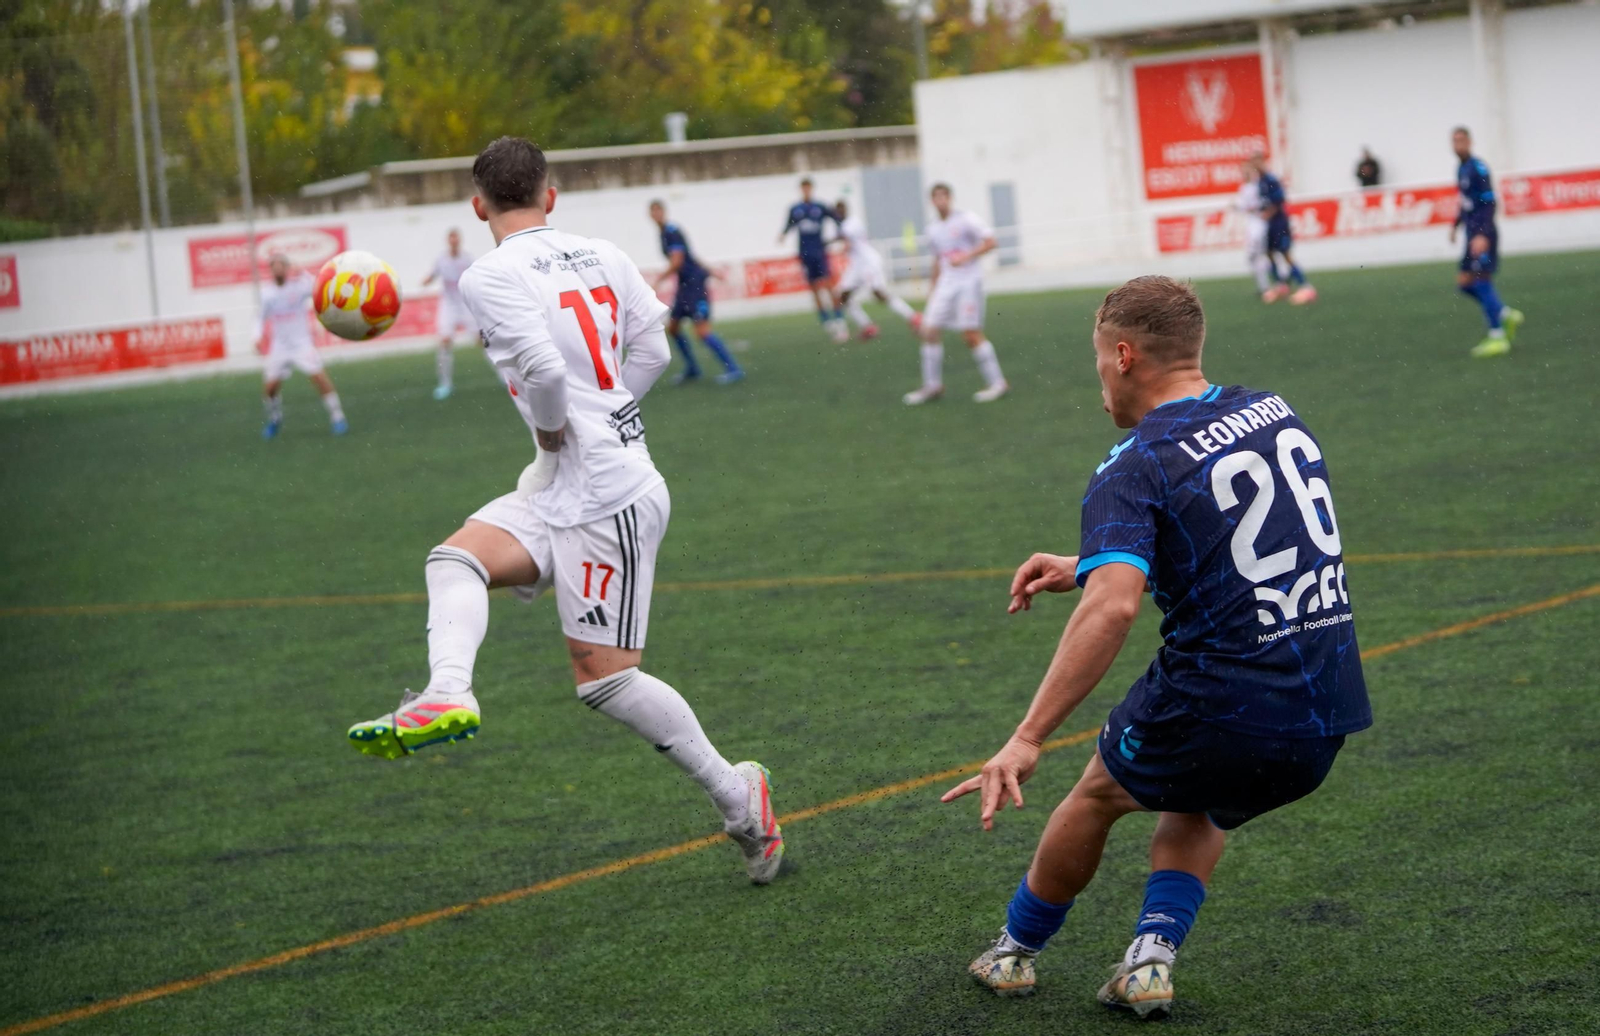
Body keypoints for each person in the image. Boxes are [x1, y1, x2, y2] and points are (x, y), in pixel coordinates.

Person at [345, 137, 784, 885]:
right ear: (550, 195)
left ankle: (740, 798)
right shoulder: (602, 252)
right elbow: (651, 348)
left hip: (606, 495)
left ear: (478, 206)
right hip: (564, 485)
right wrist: (607, 416)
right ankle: (447, 693)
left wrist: (559, 433)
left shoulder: (488, 274)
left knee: (606, 680)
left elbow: (546, 373)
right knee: (455, 559)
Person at [944, 276, 1370, 1017]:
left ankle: (1013, 953)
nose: (1099, 382)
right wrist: (1090, 563)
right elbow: (1236, 536)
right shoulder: (1274, 411)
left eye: (1098, 362)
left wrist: (1027, 737)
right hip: (1326, 709)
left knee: (1094, 796)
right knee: (1197, 797)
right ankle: (1149, 962)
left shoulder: (1134, 461)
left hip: (1224, 702)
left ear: (1123, 355)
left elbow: (1114, 610)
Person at [902, 183, 1008, 405]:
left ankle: (998, 383)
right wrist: (932, 292)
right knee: (928, 331)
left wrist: (966, 256)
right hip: (946, 284)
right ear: (932, 201)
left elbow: (991, 242)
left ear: (950, 198)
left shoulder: (966, 219)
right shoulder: (932, 229)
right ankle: (933, 386)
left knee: (970, 334)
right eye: (936, 197)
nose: (941, 201)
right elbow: (937, 261)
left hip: (969, 282)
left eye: (944, 197)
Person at [648, 200, 743, 384]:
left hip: (694, 285)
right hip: (685, 285)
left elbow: (678, 261)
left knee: (702, 331)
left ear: (664, 212)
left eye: (658, 210)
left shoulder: (672, 231)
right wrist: (712, 271)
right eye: (653, 211)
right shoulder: (663, 233)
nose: (656, 214)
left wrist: (658, 280)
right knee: (673, 328)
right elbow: (690, 256)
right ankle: (693, 369)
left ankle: (734, 369)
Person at [1451, 127, 1524, 358]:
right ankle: (1503, 314)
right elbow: (1466, 203)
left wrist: (1482, 234)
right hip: (1471, 234)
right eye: (1454, 141)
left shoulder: (1478, 168)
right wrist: (1455, 225)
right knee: (1464, 283)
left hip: (1483, 234)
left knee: (1481, 281)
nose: (1458, 145)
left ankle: (1497, 336)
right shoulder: (1461, 169)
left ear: (1470, 142)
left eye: (1461, 140)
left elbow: (1490, 203)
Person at [256, 253, 347, 439]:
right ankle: (275, 419)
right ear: (271, 270)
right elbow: (259, 317)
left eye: (281, 266)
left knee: (319, 378)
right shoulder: (267, 293)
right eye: (274, 266)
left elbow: (319, 287)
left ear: (287, 268)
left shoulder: (298, 286)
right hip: (279, 348)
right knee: (270, 389)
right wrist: (256, 336)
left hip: (302, 345)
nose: (278, 270)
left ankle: (338, 417)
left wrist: (303, 272)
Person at [830, 199, 920, 340]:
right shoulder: (852, 222)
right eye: (837, 211)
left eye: (840, 210)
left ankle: (913, 317)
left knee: (878, 293)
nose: (839, 213)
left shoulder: (849, 224)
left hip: (868, 263)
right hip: (857, 265)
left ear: (845, 210)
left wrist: (834, 248)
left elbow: (846, 242)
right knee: (842, 296)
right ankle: (867, 326)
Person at [778, 177, 848, 343]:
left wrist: (841, 235)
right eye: (804, 188)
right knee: (814, 287)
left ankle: (840, 319)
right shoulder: (795, 209)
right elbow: (788, 225)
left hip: (819, 252)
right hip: (805, 253)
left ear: (812, 189)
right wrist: (782, 235)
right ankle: (827, 321)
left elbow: (837, 219)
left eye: (808, 188)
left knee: (829, 285)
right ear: (801, 190)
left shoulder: (820, 206)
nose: (806, 191)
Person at [1249, 155, 1316, 305]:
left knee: (1286, 254)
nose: (1256, 167)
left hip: (1279, 223)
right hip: (1270, 224)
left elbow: (1279, 201)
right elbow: (1263, 203)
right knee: (1269, 253)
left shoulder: (1271, 180)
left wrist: (1266, 214)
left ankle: (1306, 287)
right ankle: (1281, 285)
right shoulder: (1260, 182)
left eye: (1258, 163)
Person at [422, 228, 477, 400]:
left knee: (482, 341)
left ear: (459, 240)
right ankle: (445, 384)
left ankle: (504, 378)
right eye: (451, 239)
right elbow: (432, 275)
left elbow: (476, 277)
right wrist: (426, 281)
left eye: (456, 238)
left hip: (465, 304)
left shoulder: (467, 259)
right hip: (448, 305)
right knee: (444, 342)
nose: (454, 241)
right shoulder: (441, 259)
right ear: (448, 241)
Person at [1235, 161, 1279, 302]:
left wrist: (1254, 208)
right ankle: (1265, 286)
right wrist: (1237, 206)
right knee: (1253, 256)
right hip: (1251, 223)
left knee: (1259, 254)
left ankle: (1275, 284)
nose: (1245, 174)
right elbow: (1243, 205)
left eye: (1247, 171)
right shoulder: (1243, 188)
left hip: (1260, 223)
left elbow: (1264, 202)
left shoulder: (1258, 186)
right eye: (1244, 172)